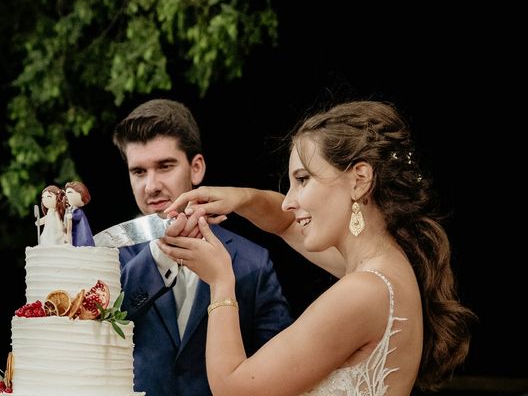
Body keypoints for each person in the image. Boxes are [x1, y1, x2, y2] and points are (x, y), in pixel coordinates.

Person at [160, 100, 476, 396]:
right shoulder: (388, 266)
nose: (289, 200)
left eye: (303, 179)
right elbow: (284, 222)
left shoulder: (363, 292)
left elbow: (235, 388)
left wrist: (220, 283)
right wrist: (241, 198)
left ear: (359, 179)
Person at [112, 98, 293, 396]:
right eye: (139, 172)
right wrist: (159, 253)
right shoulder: (105, 257)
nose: (151, 186)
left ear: (196, 168)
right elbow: (98, 333)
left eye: (164, 166)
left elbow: (281, 366)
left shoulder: (253, 262)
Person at [64, 180, 95, 246]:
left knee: (79, 240)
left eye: (70, 193)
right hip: (75, 232)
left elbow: (78, 216)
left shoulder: (78, 211)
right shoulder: (70, 209)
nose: (67, 196)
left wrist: (71, 216)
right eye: (66, 194)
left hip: (81, 234)